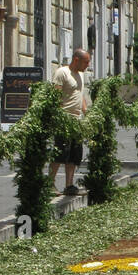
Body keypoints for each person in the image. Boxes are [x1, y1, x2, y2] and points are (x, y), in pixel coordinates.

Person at [49, 49, 90, 195]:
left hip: (77, 120)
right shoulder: (62, 73)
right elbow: (56, 95)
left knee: (74, 154)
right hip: (64, 119)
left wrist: (86, 113)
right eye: (86, 62)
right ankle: (50, 184)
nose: (88, 65)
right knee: (60, 152)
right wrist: (60, 117)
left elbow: (80, 95)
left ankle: (69, 185)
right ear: (76, 60)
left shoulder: (81, 75)